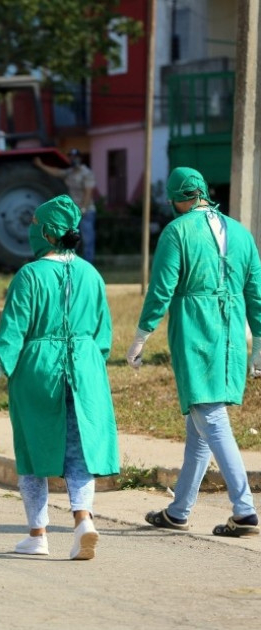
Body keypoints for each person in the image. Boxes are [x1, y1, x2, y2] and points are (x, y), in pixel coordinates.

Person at [0, 195, 119, 560]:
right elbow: (103, 335)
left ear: (47, 232)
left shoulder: (29, 275)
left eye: (35, 224)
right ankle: (83, 520)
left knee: (33, 449)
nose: (31, 230)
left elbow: (14, 330)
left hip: (39, 368)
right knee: (80, 447)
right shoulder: (92, 274)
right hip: (86, 367)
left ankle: (38, 534)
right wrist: (88, 363)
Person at [128, 167, 261, 538]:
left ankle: (245, 510)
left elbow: (161, 289)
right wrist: (259, 346)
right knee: (199, 425)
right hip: (232, 332)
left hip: (196, 329)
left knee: (211, 416)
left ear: (178, 198)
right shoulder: (240, 232)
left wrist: (140, 337)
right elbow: (256, 294)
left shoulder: (177, 231)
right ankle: (179, 510)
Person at [34, 150, 97, 263]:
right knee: (70, 238)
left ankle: (89, 263)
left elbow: (88, 192)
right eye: (71, 157)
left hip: (86, 211)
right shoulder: (70, 172)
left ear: (80, 158)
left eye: (75, 157)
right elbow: (56, 172)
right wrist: (41, 165)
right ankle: (71, 262)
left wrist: (83, 209)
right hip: (73, 213)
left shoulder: (86, 173)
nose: (73, 159)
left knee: (87, 238)